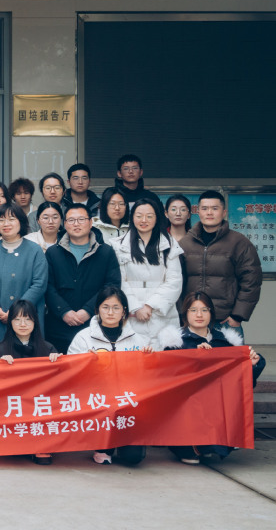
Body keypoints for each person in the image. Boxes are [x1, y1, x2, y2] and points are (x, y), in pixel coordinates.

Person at [160, 291, 265, 465]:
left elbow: (239, 382)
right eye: (193, 310)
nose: (199, 315)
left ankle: (208, 445)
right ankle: (189, 447)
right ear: (185, 314)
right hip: (187, 404)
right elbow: (169, 380)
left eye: (204, 310)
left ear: (211, 314)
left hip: (215, 402)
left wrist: (251, 364)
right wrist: (196, 358)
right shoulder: (175, 343)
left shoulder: (225, 342)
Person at [67, 286, 153, 466]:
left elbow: (148, 376)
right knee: (104, 440)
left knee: (133, 457)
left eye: (116, 308)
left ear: (124, 311)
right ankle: (102, 445)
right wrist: (84, 362)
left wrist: (149, 359)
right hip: (97, 401)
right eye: (105, 307)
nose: (111, 312)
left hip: (126, 402)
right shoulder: (83, 337)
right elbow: (69, 371)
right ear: (97, 309)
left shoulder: (137, 339)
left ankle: (122, 442)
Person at [0, 299, 61, 465]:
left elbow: (60, 383)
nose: (22, 324)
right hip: (12, 405)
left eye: (28, 319)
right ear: (10, 322)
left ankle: (41, 445)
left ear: (35, 321)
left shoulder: (48, 349)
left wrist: (59, 364)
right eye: (17, 319)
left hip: (39, 404)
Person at [180, 190, 263, 336]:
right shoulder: (185, 243)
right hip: (192, 320)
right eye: (204, 208)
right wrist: (181, 312)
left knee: (229, 353)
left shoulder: (239, 243)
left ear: (224, 212)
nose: (209, 212)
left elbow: (251, 281)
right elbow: (176, 281)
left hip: (226, 320)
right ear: (198, 212)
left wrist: (238, 315)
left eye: (215, 208)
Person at [44, 202, 122, 354]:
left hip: (95, 326)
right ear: (65, 224)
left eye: (81, 219)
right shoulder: (53, 253)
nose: (76, 224)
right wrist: (64, 311)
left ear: (91, 222)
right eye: (71, 220)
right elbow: (47, 286)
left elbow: (111, 285)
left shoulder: (105, 252)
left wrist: (88, 310)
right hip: (58, 326)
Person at [0, 202, 48, 350]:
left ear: (21, 222)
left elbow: (39, 284)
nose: (6, 224)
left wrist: (17, 311)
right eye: (1, 220)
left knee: (28, 361)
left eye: (11, 219)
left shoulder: (35, 250)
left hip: (28, 319)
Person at [115, 198, 182, 347]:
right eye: (139, 216)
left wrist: (150, 305)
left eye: (149, 216)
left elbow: (174, 281)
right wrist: (136, 307)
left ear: (157, 218)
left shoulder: (169, 244)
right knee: (133, 355)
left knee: (164, 356)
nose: (144, 220)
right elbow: (119, 281)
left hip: (162, 314)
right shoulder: (119, 245)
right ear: (132, 218)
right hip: (131, 314)